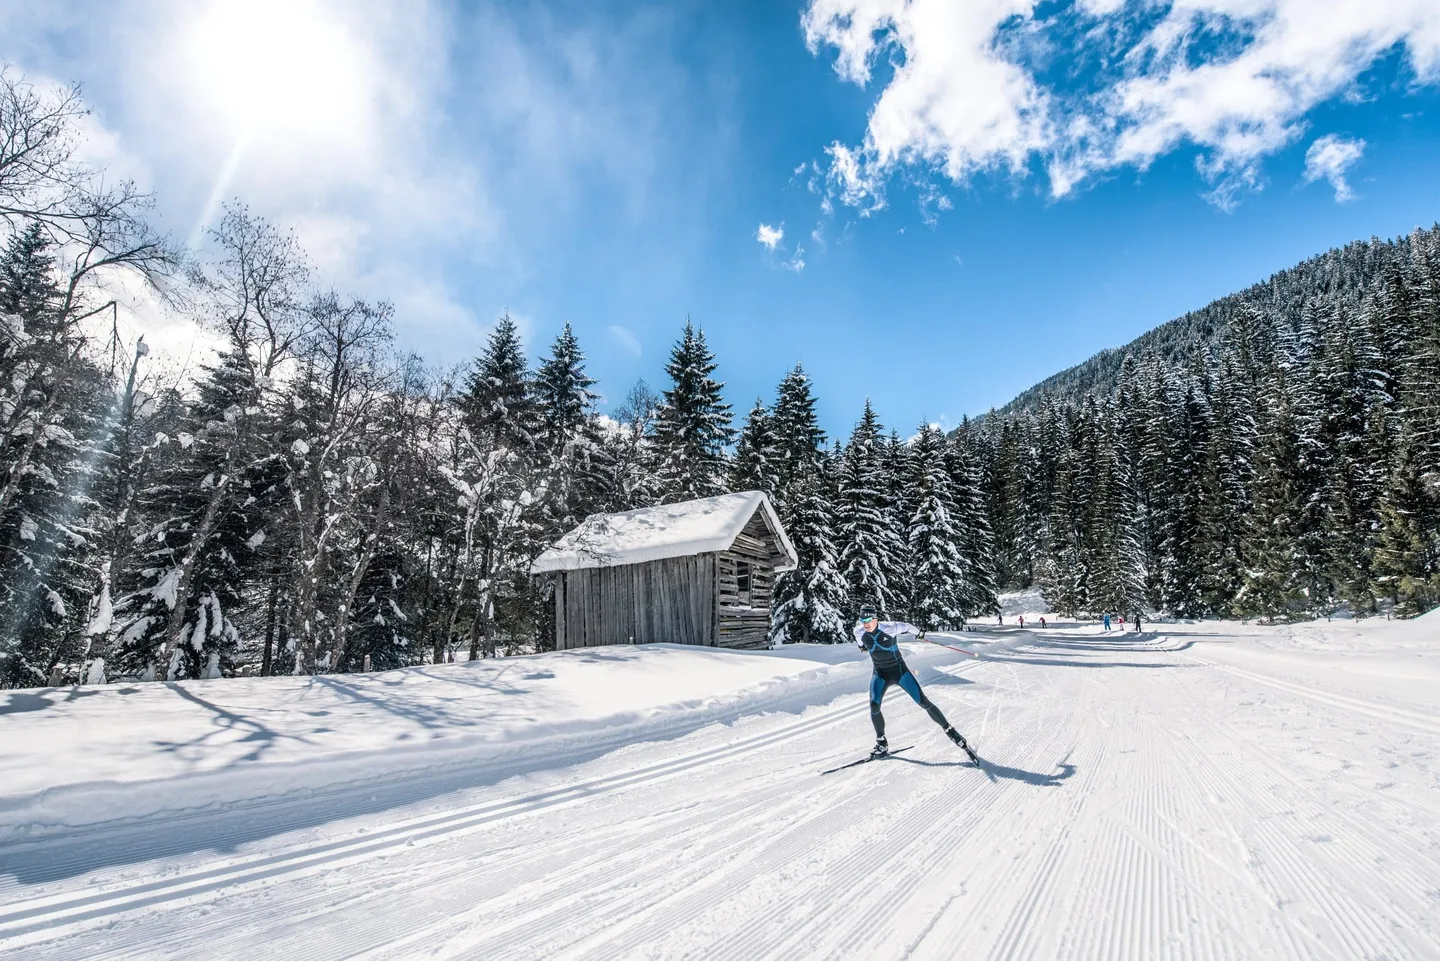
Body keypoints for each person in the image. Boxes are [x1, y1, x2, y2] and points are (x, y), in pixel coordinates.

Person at [854, 604, 975, 761]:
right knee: (874, 705)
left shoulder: (891, 627)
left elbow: (907, 626)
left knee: (923, 702)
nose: (865, 624)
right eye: (862, 620)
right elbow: (861, 644)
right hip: (880, 674)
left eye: (868, 620)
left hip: (900, 672)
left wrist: (919, 633)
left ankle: (952, 732)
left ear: (875, 619)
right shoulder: (858, 631)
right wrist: (862, 647)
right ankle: (881, 743)